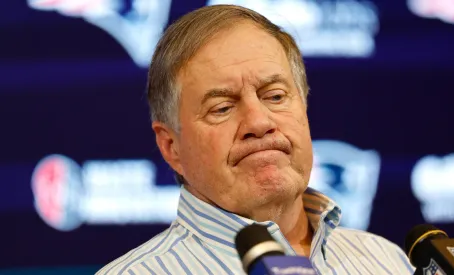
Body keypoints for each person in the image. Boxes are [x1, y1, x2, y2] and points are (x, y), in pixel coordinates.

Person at [97, 4, 414, 275]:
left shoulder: (386, 261)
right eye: (222, 108)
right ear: (171, 147)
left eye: (275, 96)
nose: (259, 122)